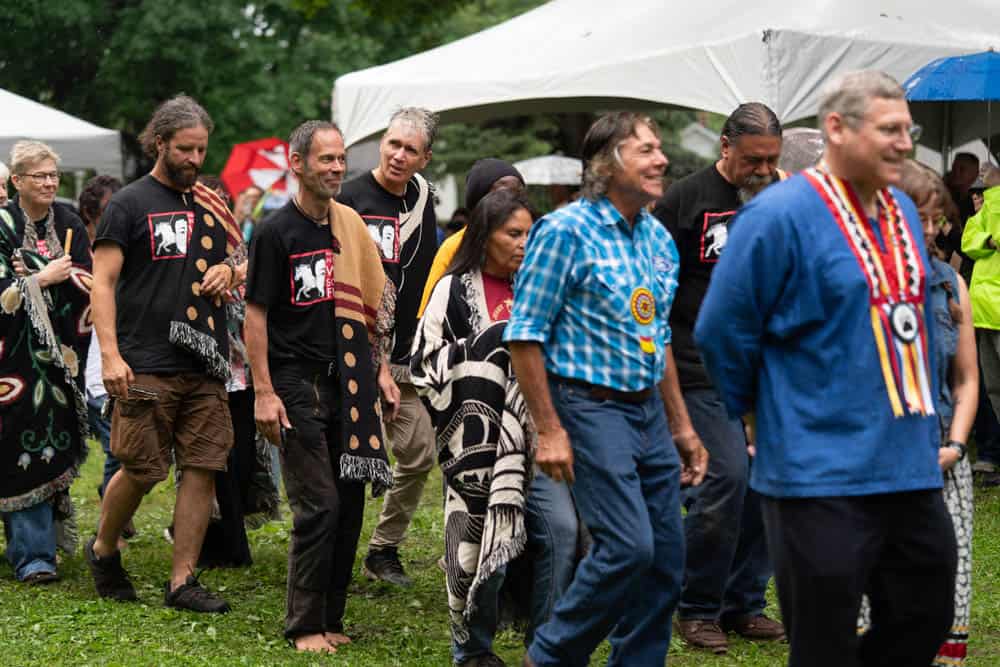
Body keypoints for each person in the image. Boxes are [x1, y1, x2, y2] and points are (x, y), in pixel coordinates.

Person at [695, 70, 957, 667]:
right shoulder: (779, 216)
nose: (904, 143)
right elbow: (720, 330)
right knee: (824, 640)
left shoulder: (903, 214)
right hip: (818, 470)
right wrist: (763, 414)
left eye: (907, 130)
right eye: (889, 129)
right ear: (837, 128)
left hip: (907, 463)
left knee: (923, 614)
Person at [505, 112, 708, 667]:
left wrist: (683, 427)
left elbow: (658, 336)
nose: (661, 159)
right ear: (606, 164)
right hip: (589, 408)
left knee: (665, 558)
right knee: (627, 547)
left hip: (646, 411)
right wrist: (548, 430)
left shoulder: (658, 238)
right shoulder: (564, 231)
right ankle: (547, 656)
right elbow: (525, 335)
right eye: (644, 150)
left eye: (658, 148)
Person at [86, 95, 245, 613]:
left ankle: (182, 582)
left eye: (201, 149)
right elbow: (103, 283)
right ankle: (104, 548)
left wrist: (231, 271)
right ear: (160, 143)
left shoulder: (211, 204)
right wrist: (110, 355)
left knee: (202, 465)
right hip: (145, 356)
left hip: (205, 359)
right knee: (142, 467)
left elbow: (238, 258)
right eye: (185, 149)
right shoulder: (129, 203)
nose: (196, 160)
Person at [246, 120, 395, 653]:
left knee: (351, 504)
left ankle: (332, 618)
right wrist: (264, 391)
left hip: (347, 380)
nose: (336, 169)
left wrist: (378, 371)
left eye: (341, 160)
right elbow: (255, 315)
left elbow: (374, 310)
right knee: (320, 504)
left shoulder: (349, 226)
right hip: (294, 380)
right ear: (298, 162)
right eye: (326, 159)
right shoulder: (274, 232)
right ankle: (305, 624)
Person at [411, 189, 578, 667]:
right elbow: (425, 364)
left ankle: (545, 645)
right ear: (485, 237)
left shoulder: (542, 287)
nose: (524, 243)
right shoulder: (452, 289)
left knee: (561, 531)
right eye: (514, 233)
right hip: (476, 448)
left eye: (529, 233)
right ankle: (474, 649)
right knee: (483, 547)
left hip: (541, 437)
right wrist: (487, 345)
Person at [652, 102, 785, 653]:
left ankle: (743, 602)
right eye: (754, 159)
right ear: (725, 145)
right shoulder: (685, 200)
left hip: (763, 368)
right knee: (726, 476)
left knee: (773, 482)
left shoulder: (781, 199)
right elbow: (656, 288)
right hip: (697, 367)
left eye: (771, 160)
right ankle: (697, 604)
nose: (762, 170)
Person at [855, 159, 977, 667]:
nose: (929, 229)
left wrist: (955, 446)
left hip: (943, 453)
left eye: (936, 218)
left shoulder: (950, 283)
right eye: (916, 215)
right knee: (875, 590)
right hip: (873, 461)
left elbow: (967, 378)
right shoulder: (857, 281)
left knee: (940, 587)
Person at [337, 107, 439, 587]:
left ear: (425, 158)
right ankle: (331, 552)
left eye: (411, 150)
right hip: (355, 348)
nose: (399, 155)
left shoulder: (422, 200)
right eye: (393, 144)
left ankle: (384, 548)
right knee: (355, 457)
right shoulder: (350, 197)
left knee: (418, 453)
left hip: (405, 355)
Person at [0, 140, 92, 584]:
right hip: (11, 362)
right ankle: (32, 556)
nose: (51, 182)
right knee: (21, 446)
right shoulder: (3, 224)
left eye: (54, 174)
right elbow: (4, 289)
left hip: (61, 359)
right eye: (41, 175)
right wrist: (43, 276)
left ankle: (37, 546)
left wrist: (38, 275)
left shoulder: (70, 221)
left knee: (52, 442)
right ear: (17, 181)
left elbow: (87, 281)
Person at [418, 159, 525, 318]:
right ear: (479, 201)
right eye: (504, 193)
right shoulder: (455, 245)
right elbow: (429, 314)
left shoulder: (534, 240)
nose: (513, 200)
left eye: (519, 193)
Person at [78, 176, 125, 499]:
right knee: (119, 451)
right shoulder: (81, 259)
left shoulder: (127, 252)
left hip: (130, 365)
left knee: (127, 451)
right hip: (96, 372)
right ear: (90, 217)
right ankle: (112, 528)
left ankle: (116, 509)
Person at [962, 165, 1000, 480]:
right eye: (975, 193)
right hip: (985, 315)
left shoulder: (995, 208)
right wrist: (986, 240)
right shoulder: (984, 214)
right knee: (993, 389)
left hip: (996, 314)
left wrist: (996, 192)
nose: (978, 196)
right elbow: (970, 241)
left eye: (982, 190)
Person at [945, 152, 980, 223]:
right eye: (954, 167)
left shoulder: (973, 200)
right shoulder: (941, 194)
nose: (956, 172)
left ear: (974, 174)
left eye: (962, 169)